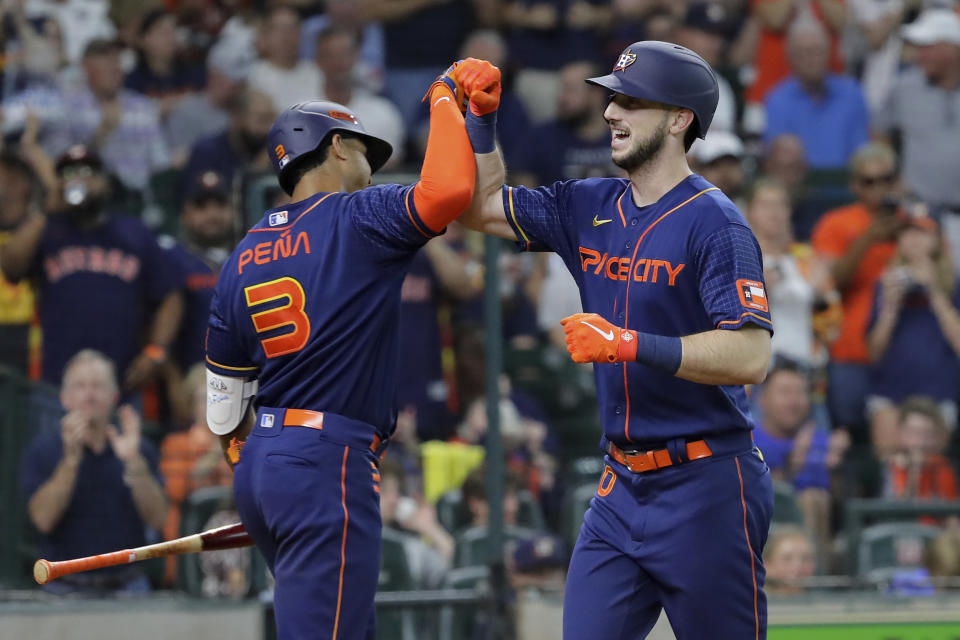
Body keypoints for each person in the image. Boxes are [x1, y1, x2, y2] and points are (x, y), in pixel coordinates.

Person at [459, 42, 774, 639]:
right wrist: (481, 121)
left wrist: (631, 343)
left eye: (630, 100)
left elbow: (752, 355)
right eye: (611, 98)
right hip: (619, 486)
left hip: (706, 483)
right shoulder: (588, 203)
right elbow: (479, 207)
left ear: (680, 119)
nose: (609, 112)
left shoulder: (717, 222)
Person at [204, 56, 484, 637]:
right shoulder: (359, 215)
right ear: (334, 147)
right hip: (325, 461)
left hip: (266, 465)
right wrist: (443, 98)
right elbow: (451, 188)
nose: (370, 165)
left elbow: (225, 413)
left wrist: (267, 475)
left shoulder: (242, 253)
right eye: (363, 150)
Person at [0, 145, 183, 389]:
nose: (78, 179)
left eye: (88, 171)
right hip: (58, 384)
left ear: (105, 183)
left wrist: (156, 350)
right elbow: (10, 267)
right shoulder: (48, 230)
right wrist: (47, 211)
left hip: (122, 381)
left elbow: (170, 295)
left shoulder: (134, 232)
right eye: (68, 173)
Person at [19, 349, 166, 595]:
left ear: (114, 396)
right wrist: (70, 461)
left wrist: (133, 463)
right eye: (80, 386)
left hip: (128, 586)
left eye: (97, 386)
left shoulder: (138, 448)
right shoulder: (43, 449)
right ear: (64, 398)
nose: (89, 395)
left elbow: (159, 519)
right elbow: (43, 521)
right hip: (62, 588)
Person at [811, 143, 903, 434]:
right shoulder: (835, 223)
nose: (879, 188)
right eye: (869, 181)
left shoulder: (916, 222)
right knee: (847, 436)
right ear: (854, 185)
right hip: (851, 350)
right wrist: (869, 237)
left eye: (886, 179)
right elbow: (832, 282)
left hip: (904, 352)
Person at [867, 215, 960, 456]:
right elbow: (874, 352)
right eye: (907, 232)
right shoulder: (886, 282)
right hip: (891, 392)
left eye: (922, 232)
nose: (914, 240)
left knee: (930, 471)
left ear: (937, 240)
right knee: (892, 469)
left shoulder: (954, 285)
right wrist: (889, 307)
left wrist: (935, 292)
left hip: (938, 392)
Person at [873, 9, 960, 265]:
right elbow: (879, 132)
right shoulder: (905, 87)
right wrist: (893, 173)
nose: (918, 55)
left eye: (927, 47)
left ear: (952, 49)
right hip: (920, 214)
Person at [763, 20, 869, 170]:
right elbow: (781, 162)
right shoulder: (777, 100)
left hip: (847, 188)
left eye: (816, 51)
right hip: (798, 189)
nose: (810, 59)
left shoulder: (852, 94)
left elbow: (861, 153)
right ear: (790, 58)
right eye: (802, 53)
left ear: (829, 53)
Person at [883, 396, 958, 502]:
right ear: (900, 432)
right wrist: (911, 474)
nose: (919, 442)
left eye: (926, 434)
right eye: (912, 432)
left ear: (935, 437)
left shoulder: (943, 467)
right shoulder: (885, 468)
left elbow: (951, 514)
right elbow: (889, 510)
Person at [763, 525, 816, 595]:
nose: (798, 566)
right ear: (767, 565)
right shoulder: (755, 603)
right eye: (787, 559)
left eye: (806, 559)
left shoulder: (826, 602)